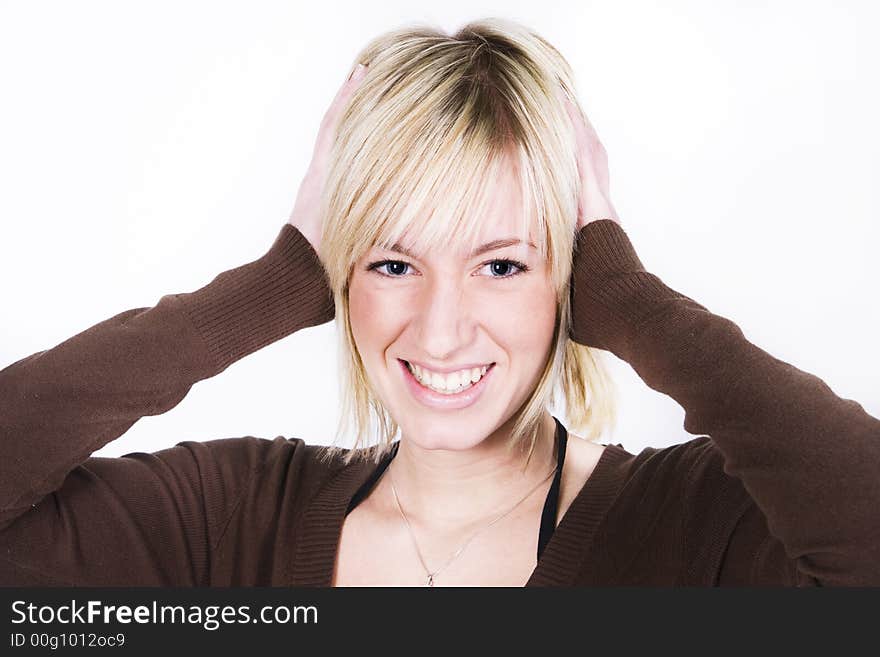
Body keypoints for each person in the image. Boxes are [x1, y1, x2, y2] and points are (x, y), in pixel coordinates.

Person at [1, 18, 878, 587]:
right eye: (392, 264)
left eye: (500, 265)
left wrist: (631, 299)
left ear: (569, 277)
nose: (442, 327)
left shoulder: (692, 530)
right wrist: (275, 285)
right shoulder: (226, 522)